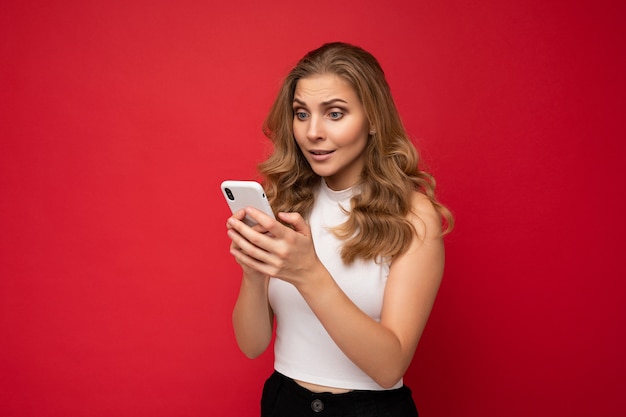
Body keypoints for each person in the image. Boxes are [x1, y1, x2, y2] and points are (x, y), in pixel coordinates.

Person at [226, 42, 453, 417]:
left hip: (369, 409)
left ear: (374, 119)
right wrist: (252, 273)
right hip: (284, 401)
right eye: (302, 114)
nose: (313, 132)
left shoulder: (413, 215)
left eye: (335, 113)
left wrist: (308, 272)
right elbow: (252, 345)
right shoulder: (287, 202)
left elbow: (389, 367)